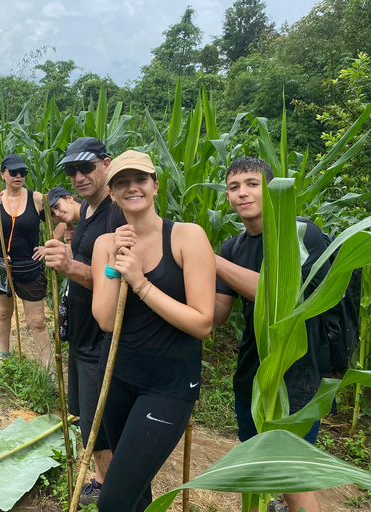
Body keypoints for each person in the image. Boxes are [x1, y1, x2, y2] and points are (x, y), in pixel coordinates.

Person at [90, 150, 215, 512]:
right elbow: (106, 321)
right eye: (121, 182)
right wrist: (116, 265)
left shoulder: (186, 237)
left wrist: (140, 283)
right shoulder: (105, 245)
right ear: (111, 193)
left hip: (168, 386)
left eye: (140, 179)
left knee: (112, 502)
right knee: (135, 495)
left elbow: (202, 322)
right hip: (115, 377)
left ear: (155, 186)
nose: (132, 188)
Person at [214, 157, 328, 512]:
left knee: (290, 471)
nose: (242, 193)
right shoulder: (233, 247)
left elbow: (278, 295)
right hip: (252, 373)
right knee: (262, 464)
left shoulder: (300, 233)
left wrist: (212, 259)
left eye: (251, 183)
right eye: (234, 187)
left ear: (271, 188)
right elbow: (217, 315)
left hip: (296, 372)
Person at [43, 137, 123, 505]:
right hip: (81, 332)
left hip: (99, 338)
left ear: (106, 164)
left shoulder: (116, 213)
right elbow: (86, 259)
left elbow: (116, 281)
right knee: (85, 415)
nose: (78, 176)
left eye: (86, 167)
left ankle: (110, 486)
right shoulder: (89, 212)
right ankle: (101, 477)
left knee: (98, 421)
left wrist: (69, 265)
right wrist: (67, 251)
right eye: (72, 171)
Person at [0, 154, 52, 365]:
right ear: (3, 174)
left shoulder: (36, 198)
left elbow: (61, 219)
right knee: (3, 314)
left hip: (29, 268)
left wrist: (49, 246)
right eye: (13, 172)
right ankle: (4, 358)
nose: (19, 176)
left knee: (37, 321)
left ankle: (45, 370)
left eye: (23, 172)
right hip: (1, 265)